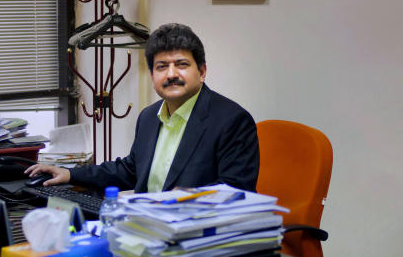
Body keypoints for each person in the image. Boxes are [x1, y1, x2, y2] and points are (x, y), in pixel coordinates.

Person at [26, 23, 259, 192]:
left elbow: (236, 190)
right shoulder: (149, 117)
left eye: (182, 64)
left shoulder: (232, 121)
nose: (171, 74)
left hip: (198, 239)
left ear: (202, 72)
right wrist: (70, 173)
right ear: (152, 75)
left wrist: (185, 198)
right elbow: (130, 170)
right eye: (161, 66)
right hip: (147, 232)